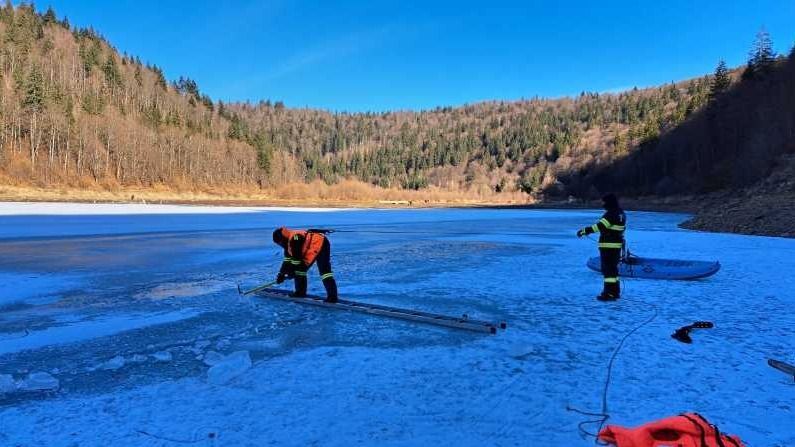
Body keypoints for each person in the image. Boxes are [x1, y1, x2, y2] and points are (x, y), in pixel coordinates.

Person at [577, 193, 626, 301]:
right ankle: (615, 292)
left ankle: (608, 293)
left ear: (608, 202)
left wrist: (584, 231)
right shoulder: (621, 213)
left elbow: (598, 227)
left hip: (608, 246)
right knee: (613, 270)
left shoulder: (610, 214)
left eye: (603, 202)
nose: (602, 204)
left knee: (608, 270)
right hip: (616, 246)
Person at [272, 227, 338, 303]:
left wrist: (291, 272)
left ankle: (332, 297)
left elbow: (296, 259)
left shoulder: (295, 238)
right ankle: (300, 292)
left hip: (322, 243)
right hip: (312, 247)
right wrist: (281, 274)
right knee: (300, 270)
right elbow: (287, 261)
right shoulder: (288, 243)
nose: (280, 245)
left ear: (282, 238)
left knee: (325, 273)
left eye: (279, 243)